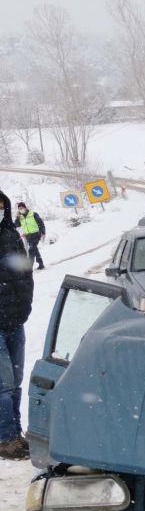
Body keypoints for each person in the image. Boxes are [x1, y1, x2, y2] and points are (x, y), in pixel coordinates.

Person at [0, 189, 34, 460]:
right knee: (4, 381)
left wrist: (25, 306)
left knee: (17, 379)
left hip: (15, 320)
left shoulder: (11, 236)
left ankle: (16, 433)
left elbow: (25, 273)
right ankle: (5, 437)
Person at [15, 202, 45, 270]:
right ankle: (41, 263)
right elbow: (16, 225)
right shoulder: (20, 217)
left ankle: (29, 267)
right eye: (19, 208)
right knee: (34, 249)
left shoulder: (33, 214)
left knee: (31, 250)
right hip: (28, 236)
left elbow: (41, 224)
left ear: (25, 207)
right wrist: (17, 217)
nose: (21, 209)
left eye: (22, 208)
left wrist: (43, 233)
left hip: (36, 234)